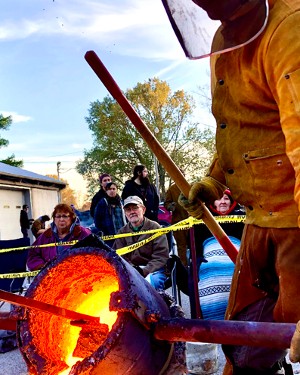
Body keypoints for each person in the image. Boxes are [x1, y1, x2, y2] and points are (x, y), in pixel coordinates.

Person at [162, 0, 300, 372]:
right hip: (260, 224)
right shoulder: (225, 36)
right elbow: (236, 127)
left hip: (296, 225)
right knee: (242, 345)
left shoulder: (289, 29)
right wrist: (214, 179)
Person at [196, 189, 245, 321]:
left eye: (226, 198)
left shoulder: (241, 218)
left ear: (232, 202)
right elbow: (196, 246)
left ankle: (239, 314)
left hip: (236, 256)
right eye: (219, 199)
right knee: (208, 269)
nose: (222, 202)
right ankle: (214, 317)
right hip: (209, 257)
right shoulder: (202, 219)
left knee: (236, 269)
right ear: (213, 202)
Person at [113, 195, 169, 290]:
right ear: (125, 213)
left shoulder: (155, 228)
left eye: (135, 208)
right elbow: (119, 257)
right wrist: (132, 270)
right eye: (128, 210)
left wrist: (144, 271)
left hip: (153, 271)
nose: (132, 212)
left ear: (143, 209)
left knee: (152, 284)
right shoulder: (122, 232)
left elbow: (161, 256)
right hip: (130, 272)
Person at [27, 203, 91, 271]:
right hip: (52, 278)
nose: (61, 219)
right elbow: (32, 254)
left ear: (72, 218)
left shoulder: (83, 234)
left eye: (65, 216)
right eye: (58, 216)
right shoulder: (46, 236)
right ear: (54, 219)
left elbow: (95, 254)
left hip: (79, 277)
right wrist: (42, 267)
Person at [94, 182, 126, 247]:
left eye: (114, 189)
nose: (112, 191)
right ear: (106, 191)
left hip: (123, 234)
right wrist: (104, 232)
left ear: (117, 190)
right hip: (109, 237)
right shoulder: (102, 203)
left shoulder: (121, 203)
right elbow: (97, 220)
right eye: (109, 189)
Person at [164, 182, 189, 266]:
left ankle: (195, 266)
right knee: (181, 246)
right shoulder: (172, 189)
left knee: (195, 245)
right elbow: (166, 204)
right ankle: (183, 268)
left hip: (192, 221)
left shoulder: (190, 186)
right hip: (178, 222)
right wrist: (171, 206)